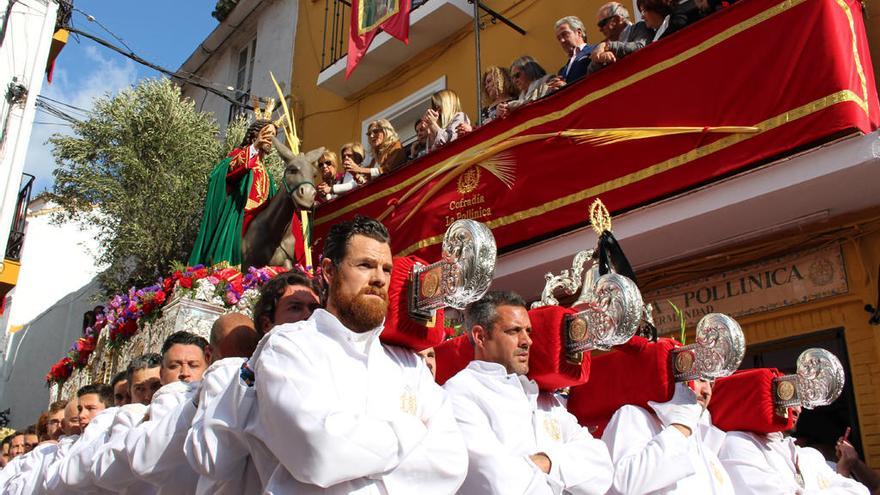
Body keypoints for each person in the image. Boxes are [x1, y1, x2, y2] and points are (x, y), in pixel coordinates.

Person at [249, 215, 467, 492]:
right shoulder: (289, 346)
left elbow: (452, 461)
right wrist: (412, 429)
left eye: (386, 269)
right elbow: (317, 452)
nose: (378, 278)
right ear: (329, 271)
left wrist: (356, 450)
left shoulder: (408, 364)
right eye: (365, 265)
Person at [444, 291, 613, 494]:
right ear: (480, 337)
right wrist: (569, 471)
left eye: (528, 331)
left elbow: (602, 468)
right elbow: (496, 483)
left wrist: (546, 462)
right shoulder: (460, 392)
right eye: (514, 331)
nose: (527, 341)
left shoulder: (544, 399)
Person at [186, 269, 321, 494]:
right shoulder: (231, 375)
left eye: (315, 309)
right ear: (267, 324)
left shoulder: (331, 369)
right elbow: (212, 459)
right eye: (295, 307)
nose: (308, 316)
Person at [602, 379, 733, 494]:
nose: (707, 391)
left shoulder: (708, 454)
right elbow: (625, 484)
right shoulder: (634, 415)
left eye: (711, 383)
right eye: (700, 379)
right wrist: (681, 426)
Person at [126, 332, 210, 494]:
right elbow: (146, 462)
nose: (184, 372)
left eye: (193, 365)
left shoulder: (218, 398)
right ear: (162, 374)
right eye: (174, 366)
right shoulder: (137, 413)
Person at [189, 118, 279, 266]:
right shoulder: (240, 155)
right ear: (255, 134)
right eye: (267, 133)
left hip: (258, 224)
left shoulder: (267, 173)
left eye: (274, 136)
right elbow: (230, 171)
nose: (271, 139)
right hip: (238, 218)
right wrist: (255, 146)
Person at [719, 406, 870, 494]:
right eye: (787, 395)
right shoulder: (739, 442)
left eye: (799, 401)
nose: (797, 409)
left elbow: (860, 491)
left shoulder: (811, 456)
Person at [50, 383, 114, 493]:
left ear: (108, 410)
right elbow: (52, 485)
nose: (81, 415)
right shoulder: (73, 442)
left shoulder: (111, 436)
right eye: (80, 409)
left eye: (90, 408)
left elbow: (70, 478)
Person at [589, 2, 654, 71]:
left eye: (602, 24)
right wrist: (598, 60)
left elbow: (640, 47)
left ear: (617, 19)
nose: (600, 29)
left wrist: (608, 46)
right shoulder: (604, 44)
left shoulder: (640, 27)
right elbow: (590, 71)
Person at [555, 16, 593, 84]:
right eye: (559, 38)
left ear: (579, 33)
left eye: (565, 34)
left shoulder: (594, 50)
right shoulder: (562, 71)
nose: (562, 41)